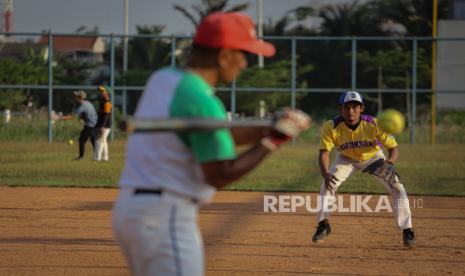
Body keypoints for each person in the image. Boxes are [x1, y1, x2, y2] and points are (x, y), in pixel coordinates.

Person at [112, 12, 310, 276]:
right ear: (224, 54)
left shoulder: (164, 79)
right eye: (244, 54)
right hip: (165, 216)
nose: (244, 64)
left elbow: (211, 135)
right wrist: (273, 141)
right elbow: (220, 173)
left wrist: (268, 127)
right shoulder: (202, 101)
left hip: (132, 211)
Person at [311, 91, 415, 248]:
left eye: (355, 107)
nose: (351, 111)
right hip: (345, 158)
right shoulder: (331, 126)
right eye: (347, 107)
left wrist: (389, 162)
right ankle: (323, 224)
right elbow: (324, 153)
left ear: (362, 108)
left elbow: (393, 148)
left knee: (398, 188)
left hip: (374, 158)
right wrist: (326, 174)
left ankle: (407, 229)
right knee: (327, 184)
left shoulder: (374, 124)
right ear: (341, 109)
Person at [61, 90, 98, 160]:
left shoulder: (82, 106)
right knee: (93, 140)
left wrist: (60, 117)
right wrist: (82, 117)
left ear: (80, 97)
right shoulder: (88, 103)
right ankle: (98, 155)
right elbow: (88, 113)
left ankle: (81, 157)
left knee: (82, 140)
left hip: (90, 125)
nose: (74, 97)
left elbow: (72, 116)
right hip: (95, 123)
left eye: (76, 96)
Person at [93, 85, 112, 162]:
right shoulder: (102, 102)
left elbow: (106, 116)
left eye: (102, 91)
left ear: (107, 93)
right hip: (102, 124)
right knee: (103, 140)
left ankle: (97, 158)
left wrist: (103, 127)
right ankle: (105, 158)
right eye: (100, 91)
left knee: (99, 140)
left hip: (105, 125)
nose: (100, 93)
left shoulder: (107, 103)